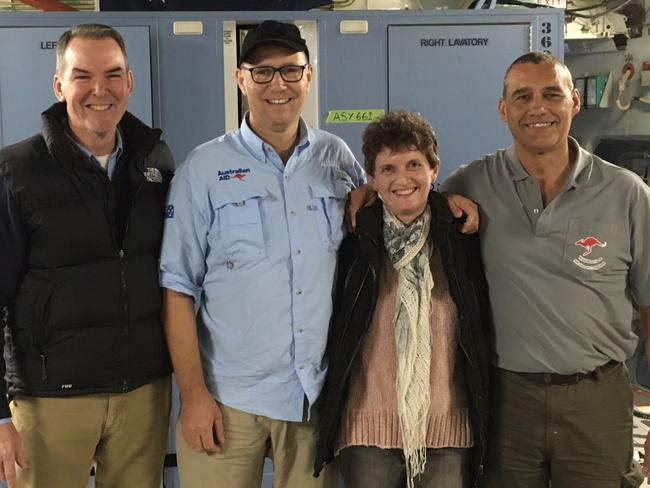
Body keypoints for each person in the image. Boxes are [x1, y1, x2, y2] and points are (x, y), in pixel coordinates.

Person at [160, 20, 478, 488]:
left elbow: (394, 196)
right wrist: (192, 395)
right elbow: (177, 288)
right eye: (262, 72)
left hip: (316, 401)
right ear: (241, 79)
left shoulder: (336, 159)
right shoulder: (203, 170)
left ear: (309, 77)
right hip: (229, 401)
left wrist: (445, 201)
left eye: (290, 71)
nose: (278, 85)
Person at [439, 52, 650, 488]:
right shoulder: (472, 183)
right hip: (508, 402)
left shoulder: (627, 195)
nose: (538, 108)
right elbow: (406, 200)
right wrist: (366, 195)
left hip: (599, 398)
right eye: (523, 97)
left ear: (574, 101)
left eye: (551, 94)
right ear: (504, 110)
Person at [0, 24, 173, 488]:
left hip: (142, 392)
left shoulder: (155, 161)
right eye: (82, 76)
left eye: (113, 75)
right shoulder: (15, 171)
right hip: (51, 397)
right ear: (59, 85)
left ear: (130, 82)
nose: (100, 90)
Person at [313, 111, 490, 488]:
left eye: (414, 164)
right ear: (372, 179)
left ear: (434, 169)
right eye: (388, 169)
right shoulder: (354, 239)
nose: (402, 178)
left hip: (447, 430)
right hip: (367, 431)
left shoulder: (459, 238)